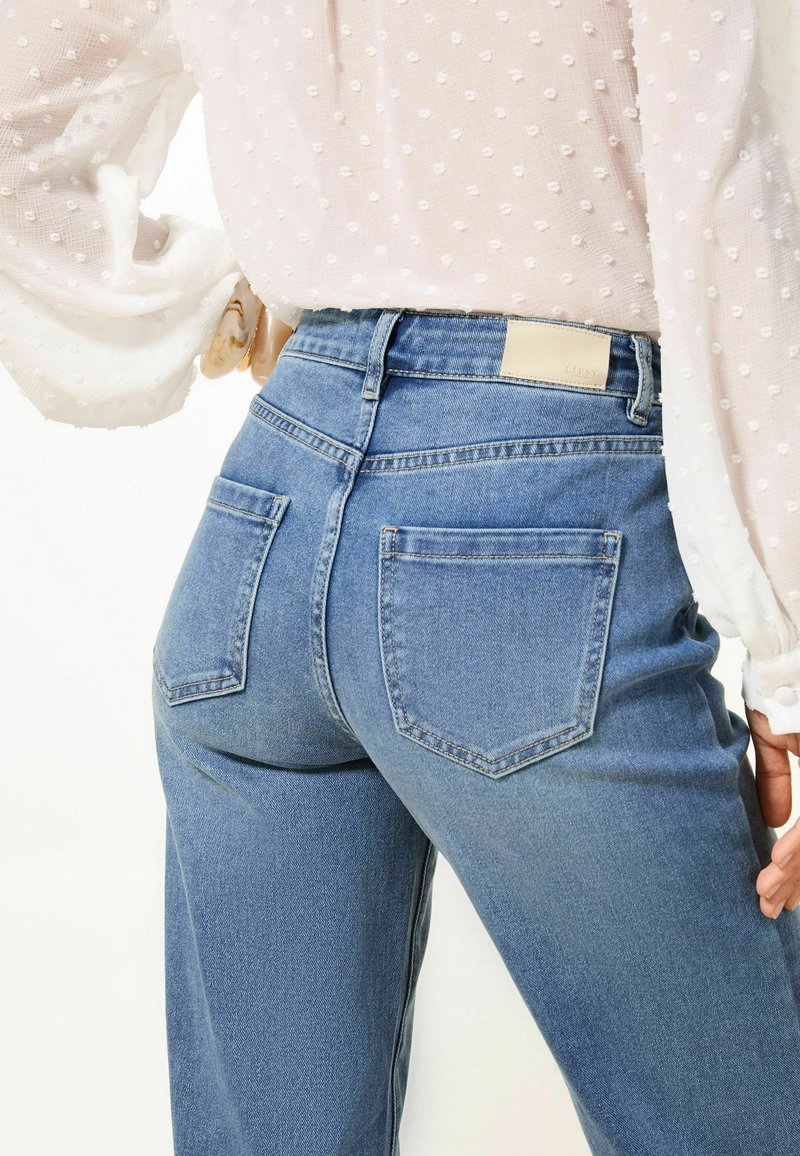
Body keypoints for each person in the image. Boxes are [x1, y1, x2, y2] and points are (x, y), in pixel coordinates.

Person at [2, 2, 799, 1152]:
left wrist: (228, 316)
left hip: (263, 526)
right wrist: (788, 649)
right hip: (537, 513)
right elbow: (731, 195)